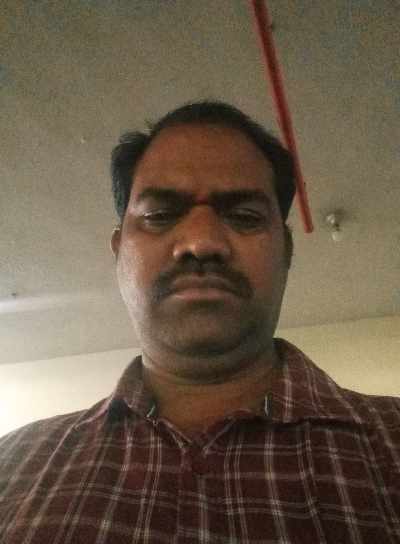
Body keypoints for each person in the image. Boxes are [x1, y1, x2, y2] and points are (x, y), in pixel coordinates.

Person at [0, 101, 399, 544]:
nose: (201, 242)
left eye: (245, 216)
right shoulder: (12, 464)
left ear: (286, 251)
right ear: (119, 251)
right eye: (159, 215)